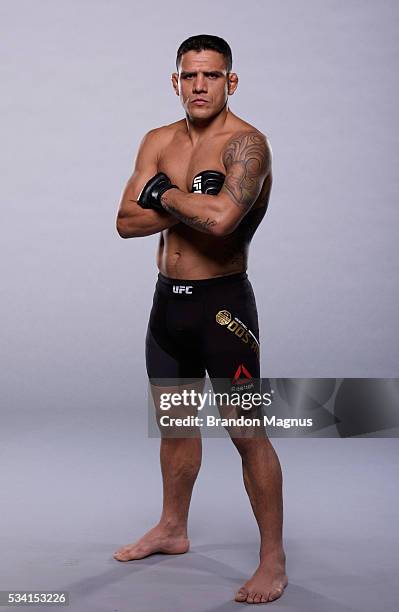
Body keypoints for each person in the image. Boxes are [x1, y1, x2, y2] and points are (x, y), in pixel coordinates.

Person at [113, 34, 288, 605]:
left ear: (230, 81)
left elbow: (222, 224)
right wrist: (184, 198)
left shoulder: (247, 146)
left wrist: (161, 194)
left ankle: (272, 559)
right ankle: (172, 528)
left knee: (247, 433)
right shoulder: (157, 140)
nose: (200, 86)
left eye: (211, 76)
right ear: (175, 81)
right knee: (175, 426)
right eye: (190, 76)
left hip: (223, 310)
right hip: (169, 306)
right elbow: (124, 220)